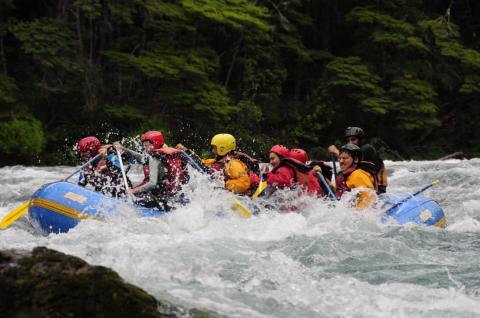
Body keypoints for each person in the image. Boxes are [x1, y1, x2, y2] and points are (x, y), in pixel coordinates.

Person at [116, 130, 189, 211]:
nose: (144, 148)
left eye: (147, 145)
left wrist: (133, 190)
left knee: (132, 199)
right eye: (144, 145)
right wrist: (123, 149)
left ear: (155, 143)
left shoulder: (154, 159)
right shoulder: (166, 155)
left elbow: (152, 183)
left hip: (161, 199)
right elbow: (142, 158)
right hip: (174, 195)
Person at [178, 133, 260, 196]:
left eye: (214, 147)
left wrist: (224, 185)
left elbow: (244, 183)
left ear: (222, 148)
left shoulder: (233, 164)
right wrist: (187, 151)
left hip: (244, 196)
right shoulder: (219, 161)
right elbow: (202, 164)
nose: (212, 151)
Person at [328, 126, 388, 194]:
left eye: (353, 139)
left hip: (377, 192)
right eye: (348, 141)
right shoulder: (353, 159)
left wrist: (336, 152)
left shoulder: (367, 151)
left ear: (360, 140)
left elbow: (357, 164)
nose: (350, 143)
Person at [334, 144, 377, 209]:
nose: (341, 161)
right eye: (339, 158)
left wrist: (356, 216)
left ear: (356, 159)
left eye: (345, 158)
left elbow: (368, 197)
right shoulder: (349, 175)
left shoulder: (358, 175)